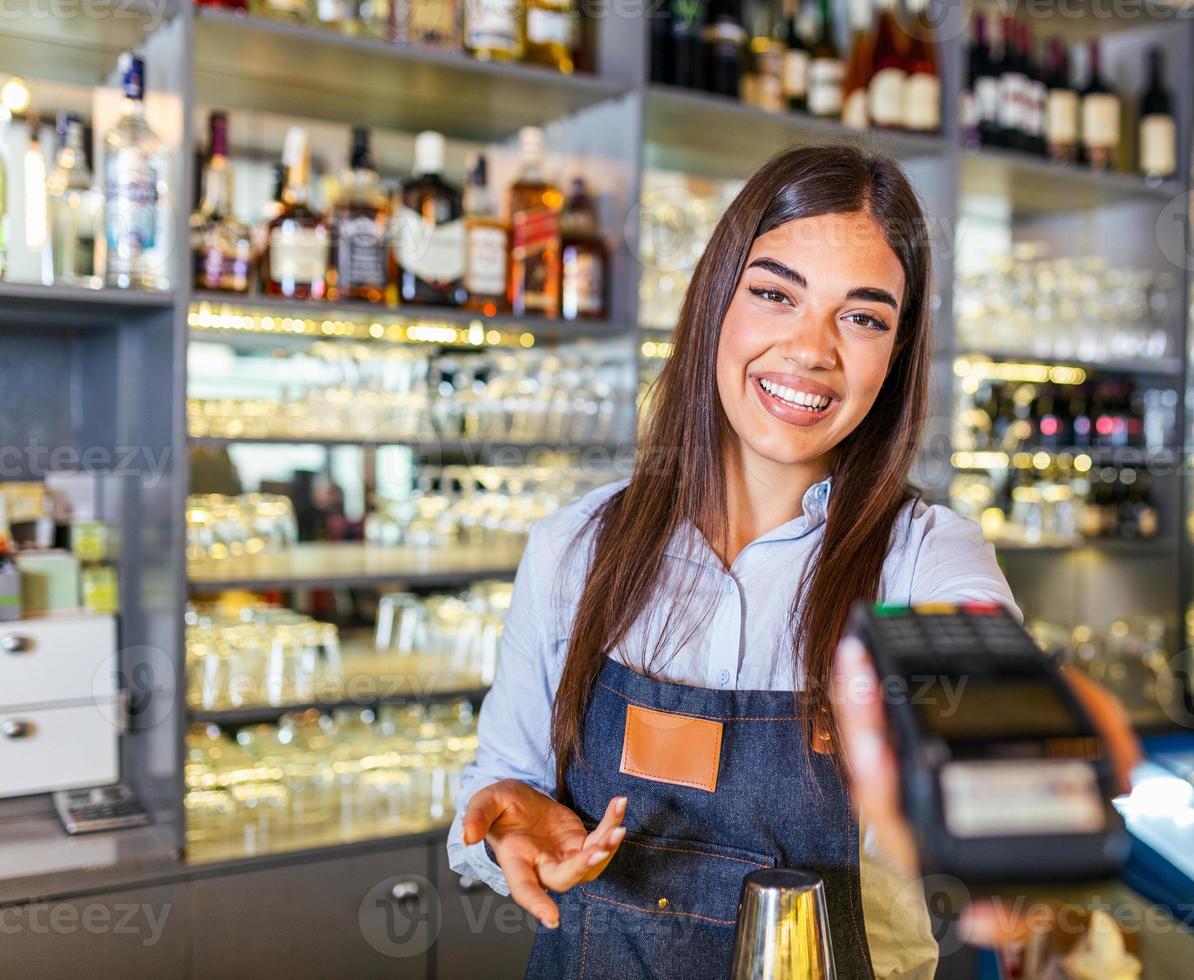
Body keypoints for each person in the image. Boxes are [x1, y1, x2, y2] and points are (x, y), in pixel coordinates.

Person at [447, 142, 1131, 978]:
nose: (812, 349)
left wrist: (1017, 759)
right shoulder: (576, 549)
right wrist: (511, 822)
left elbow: (986, 686)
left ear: (896, 355)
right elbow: (501, 786)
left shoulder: (921, 561)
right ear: (715, 303)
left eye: (864, 316)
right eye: (776, 294)